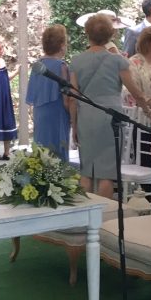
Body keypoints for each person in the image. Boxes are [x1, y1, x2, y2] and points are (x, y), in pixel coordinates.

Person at [66, 14, 130, 198]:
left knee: (86, 170)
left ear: (87, 33)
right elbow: (135, 91)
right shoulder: (118, 61)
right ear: (111, 35)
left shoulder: (77, 61)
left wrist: (74, 125)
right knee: (106, 174)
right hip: (111, 116)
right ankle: (105, 217)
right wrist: (149, 108)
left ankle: (87, 217)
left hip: (86, 116)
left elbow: (73, 97)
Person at [25, 25, 72, 162]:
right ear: (62, 45)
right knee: (57, 151)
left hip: (40, 113)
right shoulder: (61, 66)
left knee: (42, 150)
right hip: (57, 114)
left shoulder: (37, 65)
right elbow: (66, 99)